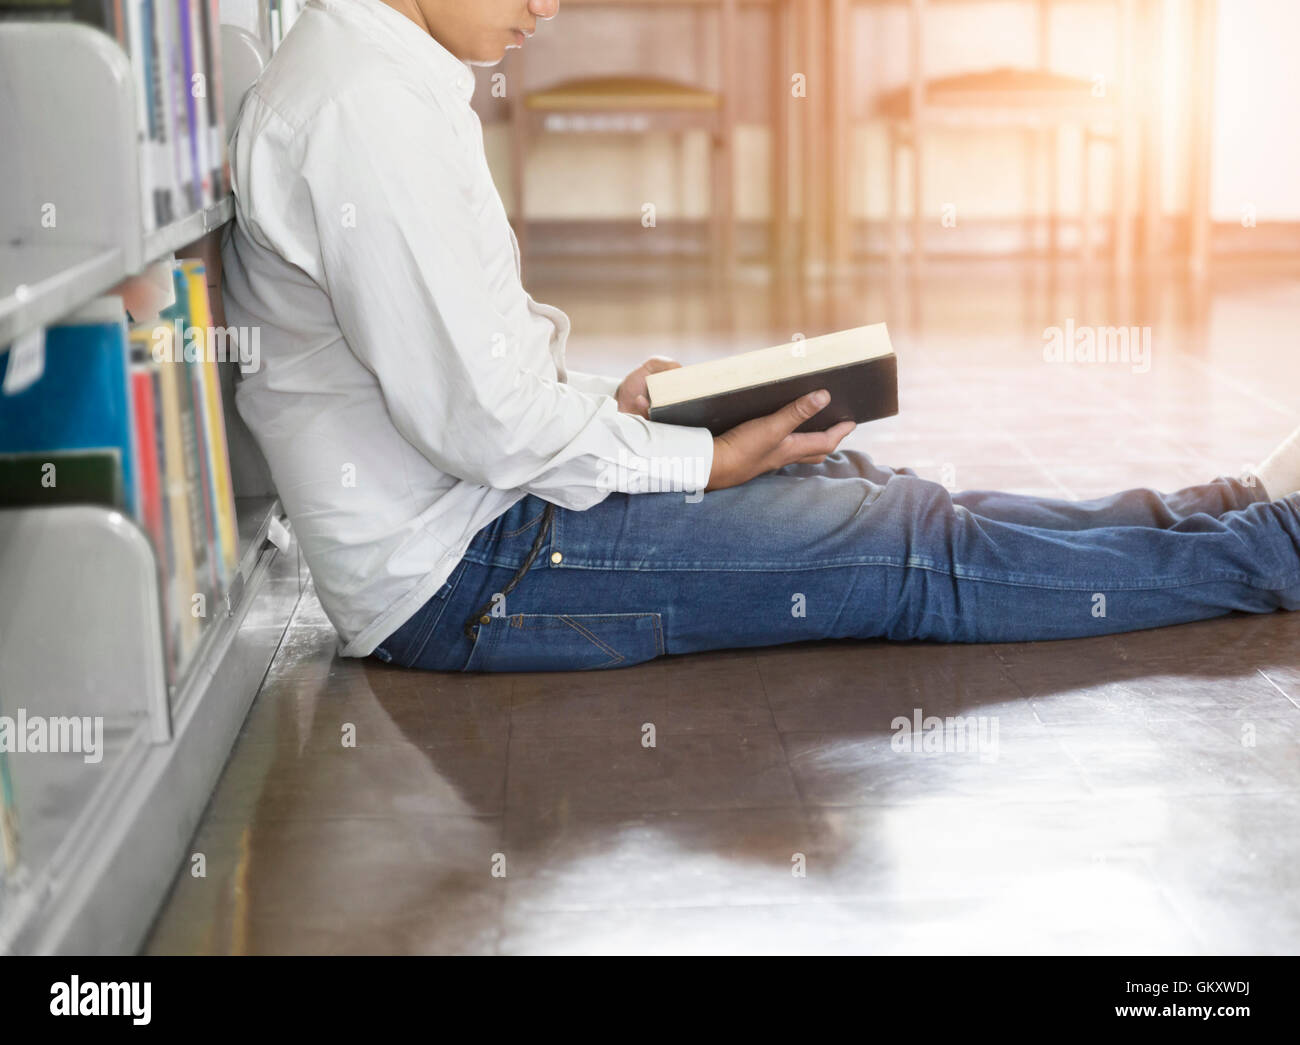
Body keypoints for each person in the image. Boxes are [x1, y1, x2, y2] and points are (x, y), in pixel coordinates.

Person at [222, 0, 1300, 673]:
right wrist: (699, 456)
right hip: (473, 574)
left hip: (496, 515)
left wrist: (616, 406)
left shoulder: (386, 76)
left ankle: (1226, 512)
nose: (547, 7)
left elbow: (464, 380)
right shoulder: (363, 106)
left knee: (880, 491)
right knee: (902, 547)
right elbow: (487, 425)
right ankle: (1276, 551)